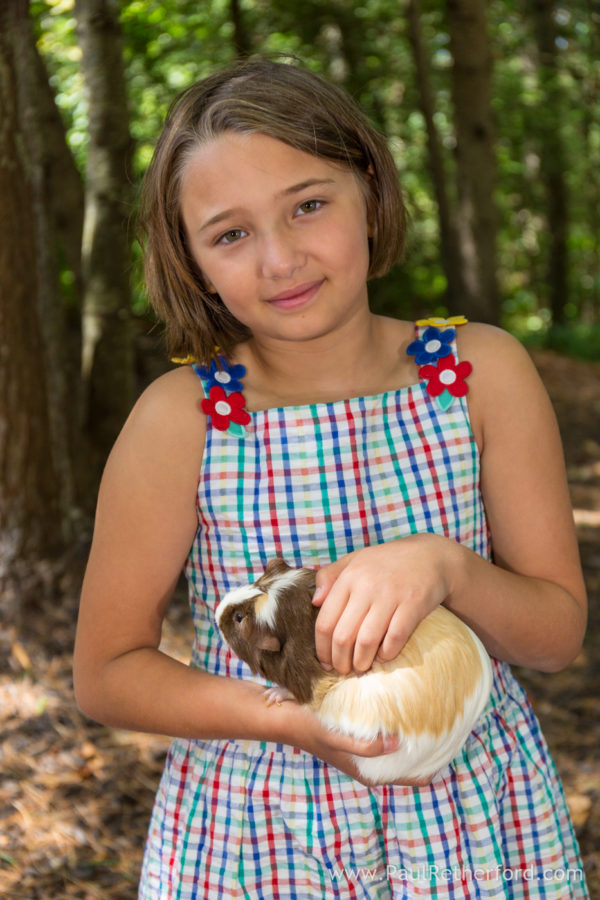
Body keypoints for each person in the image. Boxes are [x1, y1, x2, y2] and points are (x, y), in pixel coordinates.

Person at [73, 58, 589, 899]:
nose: (281, 260)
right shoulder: (182, 421)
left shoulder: (478, 373)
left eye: (309, 205)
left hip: (472, 827)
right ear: (193, 260)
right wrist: (294, 722)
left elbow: (556, 637)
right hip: (256, 832)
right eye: (230, 234)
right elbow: (107, 671)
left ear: (372, 193)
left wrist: (445, 566)